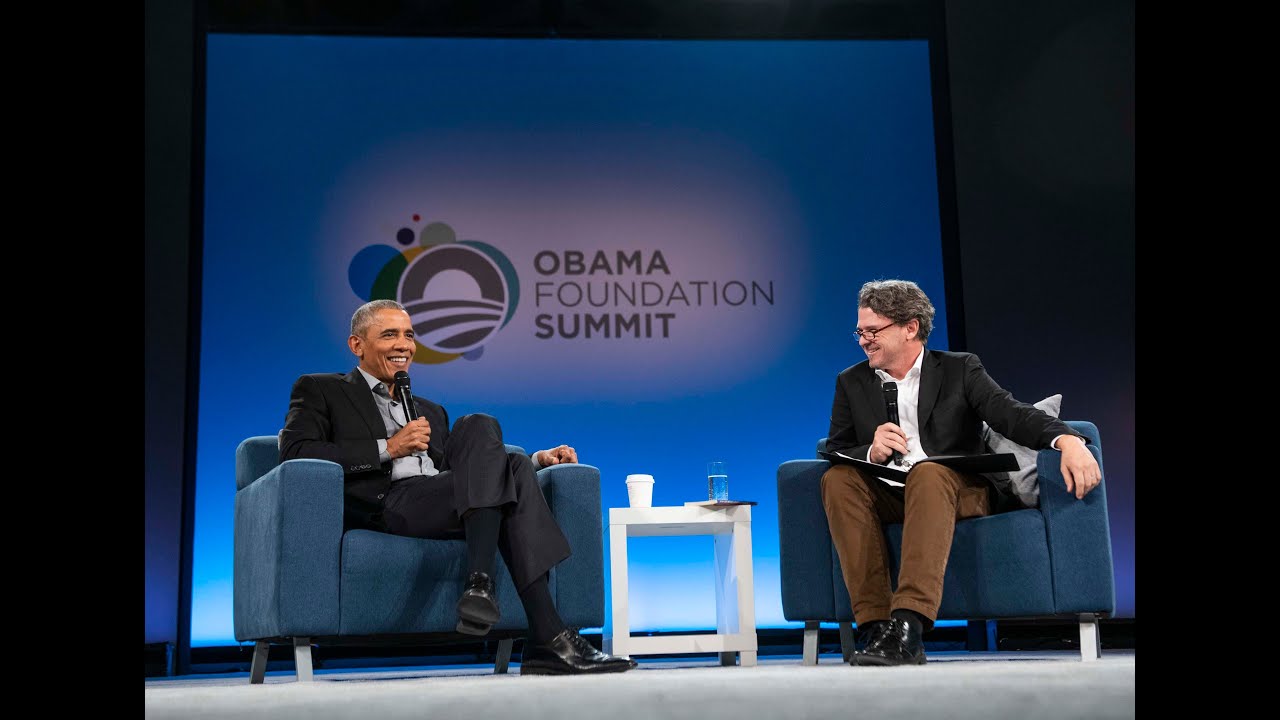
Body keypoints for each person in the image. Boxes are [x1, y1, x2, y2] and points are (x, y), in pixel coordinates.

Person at [279, 299, 636, 675]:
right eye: (389, 334)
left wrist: (537, 461)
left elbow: (471, 470)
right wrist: (389, 447)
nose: (404, 345)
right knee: (508, 469)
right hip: (389, 503)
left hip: (439, 498)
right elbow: (296, 450)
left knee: (493, 439)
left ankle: (483, 588)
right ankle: (548, 638)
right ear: (357, 345)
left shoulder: (430, 409)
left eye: (409, 335)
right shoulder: (322, 389)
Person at [821, 280, 1101, 666]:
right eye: (860, 332)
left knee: (929, 472)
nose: (864, 340)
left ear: (910, 327)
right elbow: (835, 448)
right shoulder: (851, 381)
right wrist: (871, 448)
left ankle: (908, 628)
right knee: (836, 479)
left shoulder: (959, 369)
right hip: (892, 493)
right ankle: (874, 629)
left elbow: (1011, 414)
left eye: (873, 331)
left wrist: (1068, 440)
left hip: (956, 490)